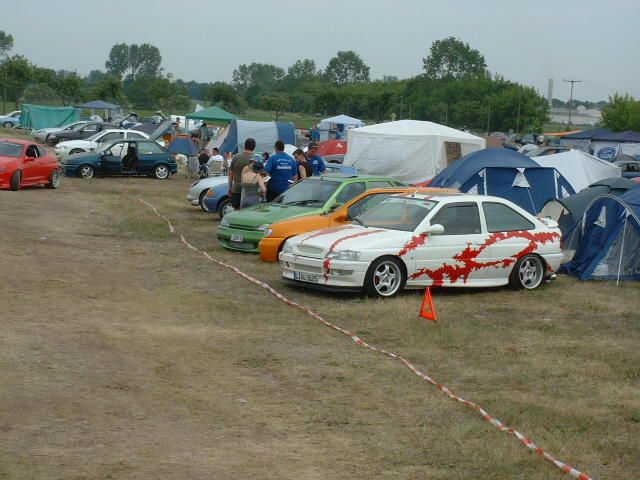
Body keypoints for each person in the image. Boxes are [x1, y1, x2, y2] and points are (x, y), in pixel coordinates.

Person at [228, 138, 256, 209]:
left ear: (245, 146)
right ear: (254, 146)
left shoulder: (236, 156)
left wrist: (230, 188)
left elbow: (230, 174)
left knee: (236, 210)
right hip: (251, 190)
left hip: (237, 188)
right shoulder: (256, 158)